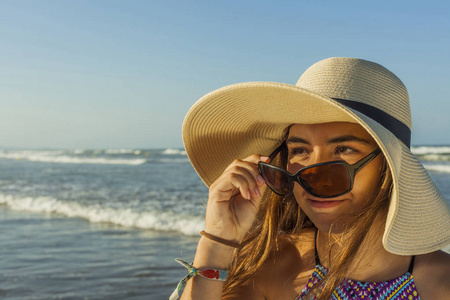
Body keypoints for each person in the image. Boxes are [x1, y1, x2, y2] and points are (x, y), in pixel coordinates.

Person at [171, 57, 450, 300]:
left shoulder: (442, 283)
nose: (313, 176)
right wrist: (218, 240)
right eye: (300, 150)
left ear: (389, 165)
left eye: (344, 149)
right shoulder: (267, 264)